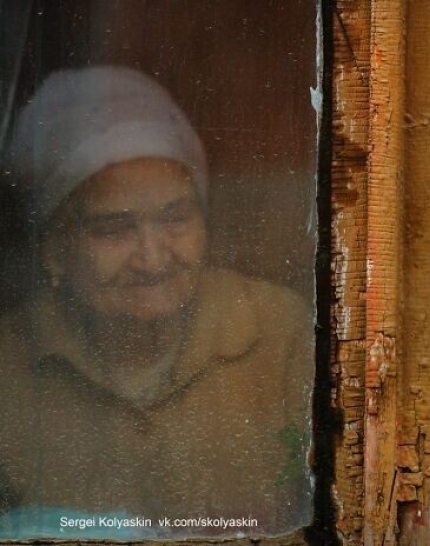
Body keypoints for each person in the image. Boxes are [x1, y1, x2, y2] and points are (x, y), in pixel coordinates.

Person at [0, 65, 314, 537]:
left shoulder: (281, 331)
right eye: (113, 228)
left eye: (176, 218)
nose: (152, 258)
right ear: (54, 251)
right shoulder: (10, 364)